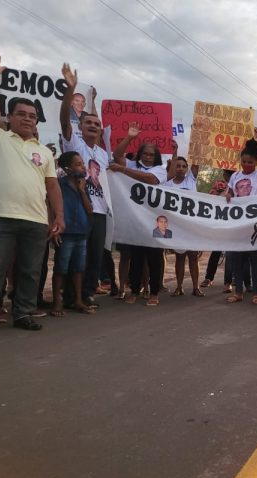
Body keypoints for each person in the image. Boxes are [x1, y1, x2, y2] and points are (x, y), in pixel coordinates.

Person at [0, 52, 64, 338]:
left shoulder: (45, 152)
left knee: (30, 271)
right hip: (2, 218)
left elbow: (52, 187)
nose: (28, 119)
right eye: (22, 114)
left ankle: (24, 313)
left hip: (36, 221)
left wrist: (60, 217)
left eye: (32, 116)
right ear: (10, 117)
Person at [60, 64, 108, 308]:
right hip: (76, 209)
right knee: (73, 255)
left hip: (98, 211)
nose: (92, 126)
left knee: (94, 256)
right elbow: (63, 121)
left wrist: (94, 103)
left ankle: (87, 293)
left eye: (96, 125)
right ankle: (69, 296)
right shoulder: (74, 145)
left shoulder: (103, 154)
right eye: (87, 123)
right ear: (79, 127)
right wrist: (71, 90)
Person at [110, 126, 167, 306]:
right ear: (140, 153)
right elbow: (117, 156)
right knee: (136, 257)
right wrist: (129, 137)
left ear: (155, 157)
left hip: (155, 219)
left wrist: (122, 170)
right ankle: (134, 290)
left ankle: (154, 293)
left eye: (151, 154)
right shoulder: (132, 164)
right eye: (145, 153)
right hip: (134, 218)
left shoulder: (161, 169)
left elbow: (150, 179)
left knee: (155, 258)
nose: (148, 157)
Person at [223, 129, 257, 304]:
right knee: (237, 258)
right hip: (238, 223)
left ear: (256, 161)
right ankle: (238, 292)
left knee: (255, 259)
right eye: (243, 161)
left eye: (250, 162)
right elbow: (228, 192)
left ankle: (256, 292)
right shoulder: (235, 175)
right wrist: (227, 194)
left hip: (256, 223)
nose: (246, 165)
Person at [51, 152, 93, 316]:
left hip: (81, 232)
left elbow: (90, 210)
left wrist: (82, 191)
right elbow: (52, 206)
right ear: (67, 168)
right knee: (61, 268)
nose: (82, 167)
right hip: (65, 232)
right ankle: (57, 302)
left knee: (78, 268)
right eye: (78, 164)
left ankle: (78, 300)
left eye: (82, 163)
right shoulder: (59, 185)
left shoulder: (84, 185)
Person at [165, 143, 203, 297]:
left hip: (191, 226)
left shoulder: (191, 180)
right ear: (173, 167)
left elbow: (197, 160)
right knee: (180, 257)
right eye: (178, 166)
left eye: (183, 166)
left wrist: (198, 137)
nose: (180, 168)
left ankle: (196, 287)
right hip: (176, 227)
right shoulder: (167, 184)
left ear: (187, 169)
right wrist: (174, 152)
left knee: (193, 258)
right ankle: (179, 287)